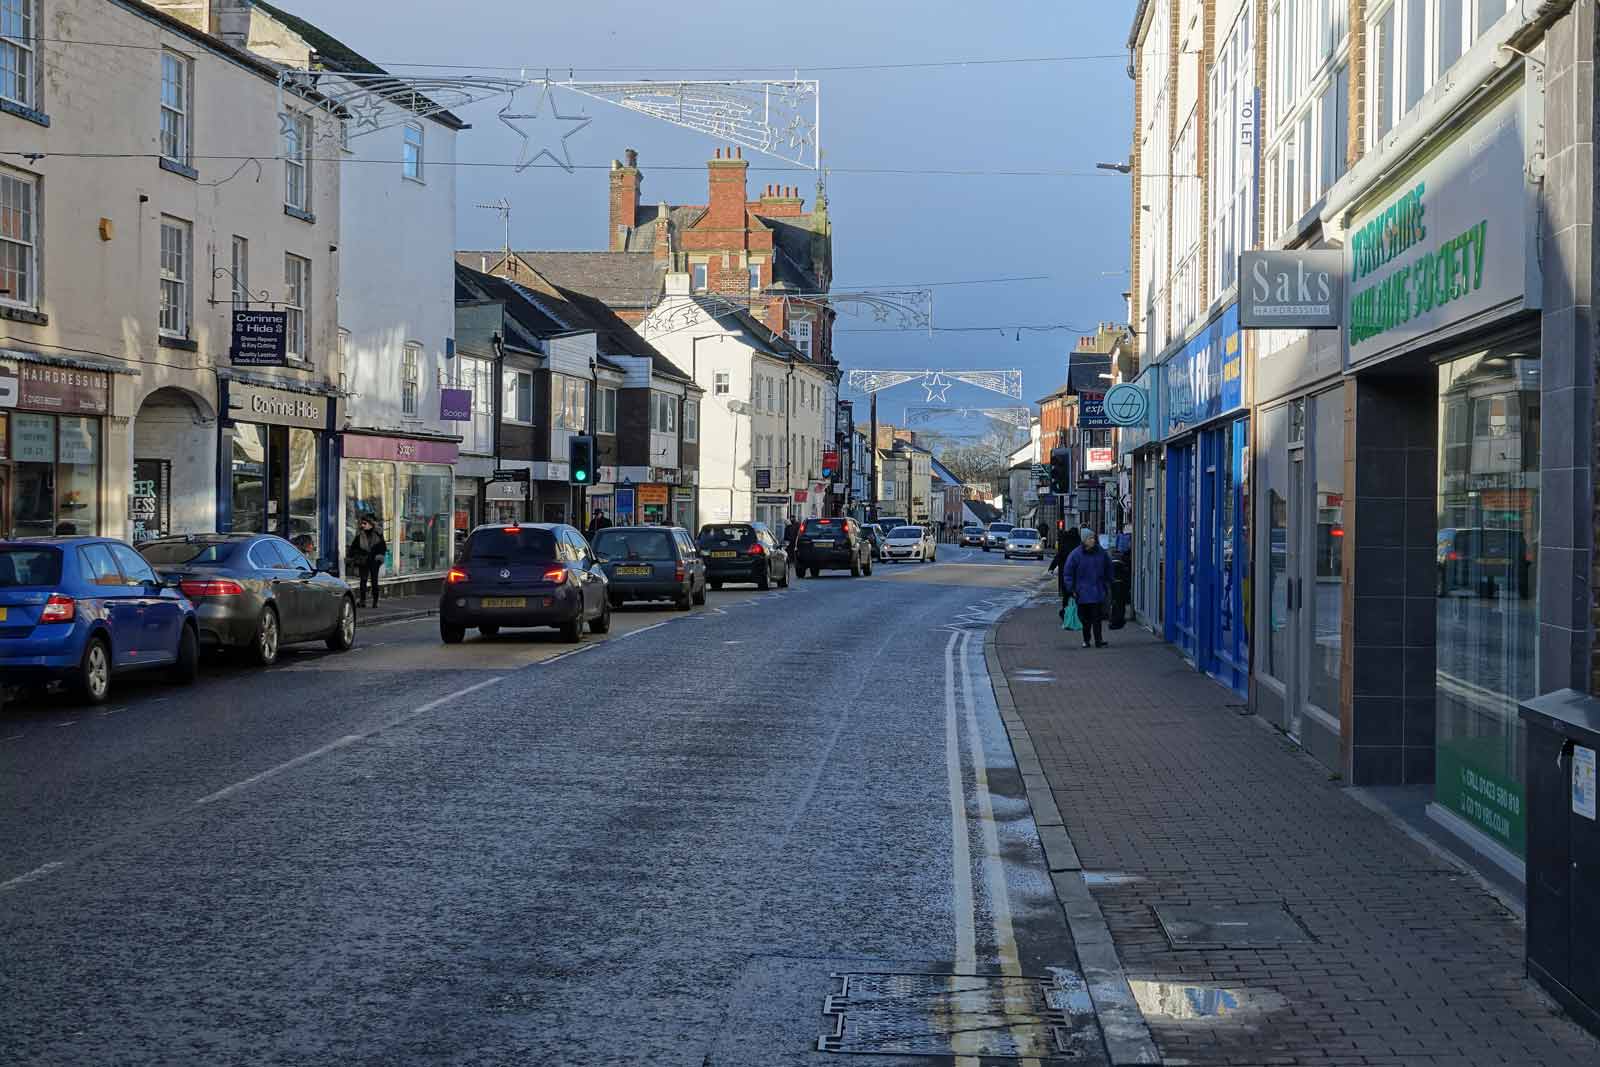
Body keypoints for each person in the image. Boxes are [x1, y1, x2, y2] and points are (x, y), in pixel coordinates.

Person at [1063, 529, 1114, 649]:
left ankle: (1098, 640)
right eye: (1090, 538)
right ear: (1084, 540)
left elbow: (1108, 566)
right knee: (1085, 620)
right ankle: (1086, 640)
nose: (1093, 540)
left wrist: (1109, 580)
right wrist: (1071, 588)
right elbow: (1068, 573)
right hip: (1082, 592)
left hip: (1097, 591)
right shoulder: (1076, 555)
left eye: (1093, 538)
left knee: (1097, 618)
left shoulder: (1100, 552)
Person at [346, 514, 387, 609]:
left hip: (374, 560)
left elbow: (383, 547)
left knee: (374, 581)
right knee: (363, 581)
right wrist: (354, 556)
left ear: (370, 524)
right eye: (361, 523)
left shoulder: (378, 534)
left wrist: (379, 556)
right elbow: (353, 548)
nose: (362, 525)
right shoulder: (360, 535)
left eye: (365, 523)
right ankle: (363, 601)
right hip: (363, 560)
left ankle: (375, 602)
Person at [1045, 525, 1082, 620]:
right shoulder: (1079, 544)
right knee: (1076, 594)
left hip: (1065, 572)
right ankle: (1074, 612)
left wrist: (1052, 568)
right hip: (1077, 573)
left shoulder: (1065, 543)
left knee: (1066, 594)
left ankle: (1065, 611)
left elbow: (1059, 556)